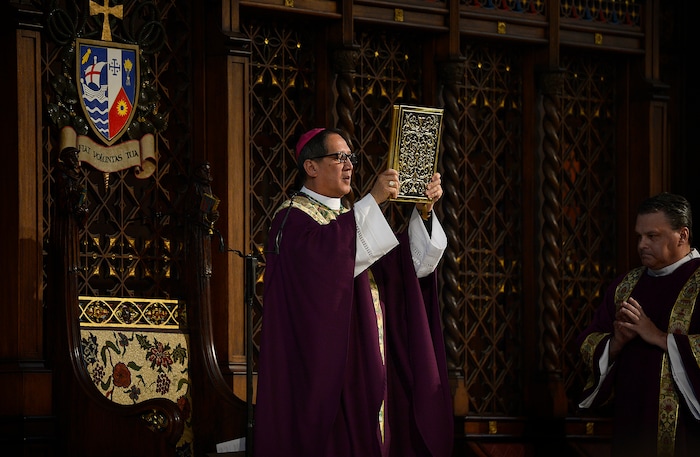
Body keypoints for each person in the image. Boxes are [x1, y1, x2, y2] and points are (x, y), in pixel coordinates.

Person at [253, 128, 453, 457]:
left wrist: (424, 211)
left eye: (351, 158)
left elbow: (400, 269)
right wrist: (373, 199)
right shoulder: (292, 219)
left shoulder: (348, 220)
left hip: (368, 359)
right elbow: (323, 264)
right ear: (311, 166)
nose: (349, 166)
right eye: (339, 157)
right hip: (328, 370)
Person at [577, 192, 700, 457]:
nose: (642, 245)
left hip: (686, 433)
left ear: (682, 235)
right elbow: (588, 342)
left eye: (652, 236)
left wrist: (659, 337)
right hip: (630, 424)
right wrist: (615, 343)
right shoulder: (626, 286)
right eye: (640, 236)